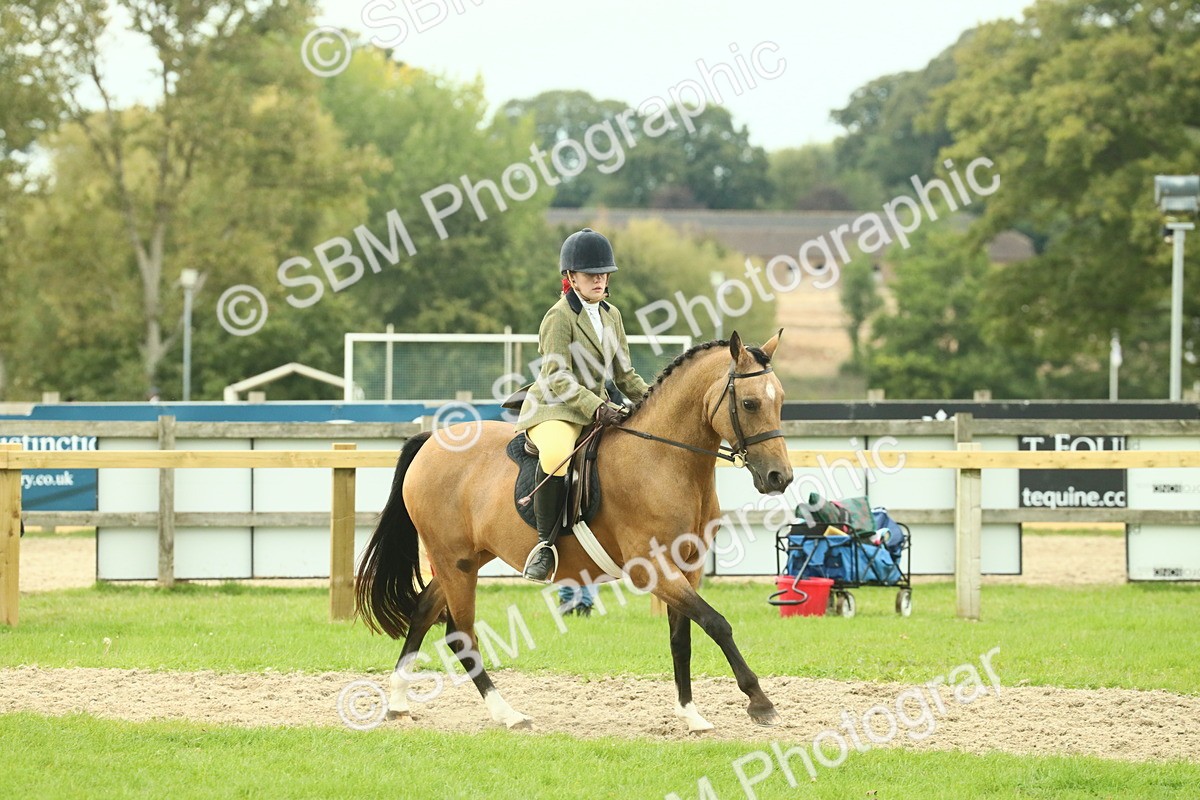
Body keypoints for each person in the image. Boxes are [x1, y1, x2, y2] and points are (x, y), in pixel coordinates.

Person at [514, 228, 651, 583]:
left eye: (604, 273)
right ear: (571, 277)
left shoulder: (612, 315)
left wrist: (655, 401)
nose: (599, 279)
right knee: (556, 455)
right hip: (556, 408)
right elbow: (557, 376)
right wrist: (596, 408)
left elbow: (625, 375)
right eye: (591, 274)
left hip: (596, 407)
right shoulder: (559, 317)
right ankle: (545, 546)